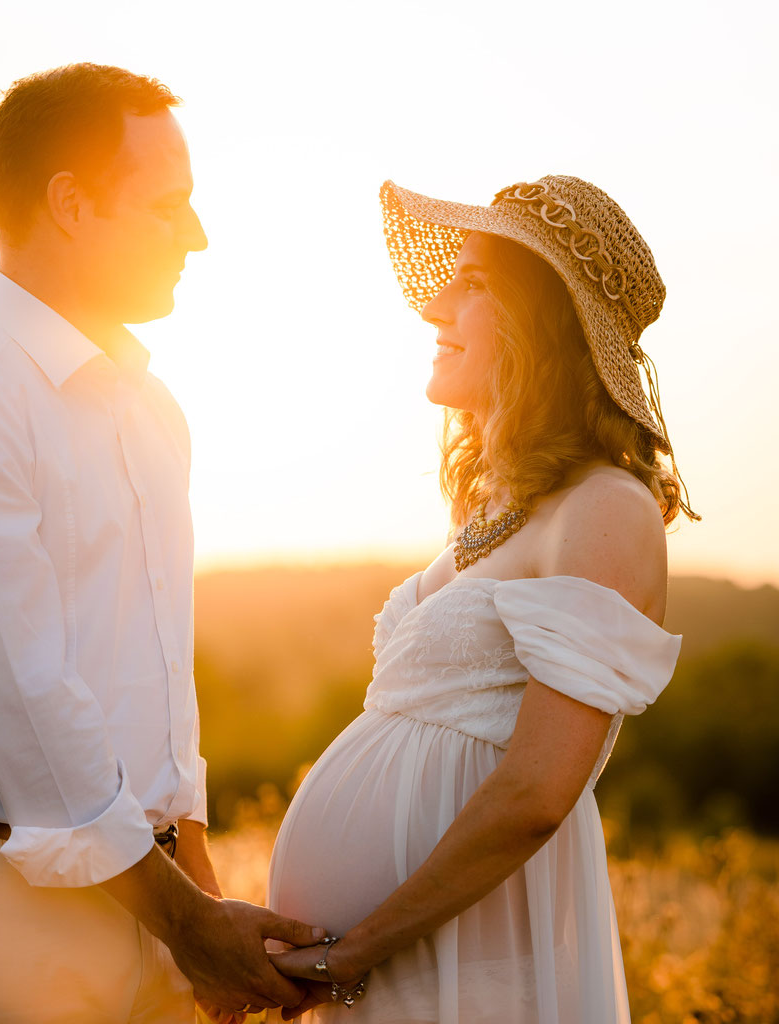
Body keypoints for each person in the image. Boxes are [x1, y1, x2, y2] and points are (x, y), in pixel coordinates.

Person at [0, 63, 322, 1024]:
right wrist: (189, 924)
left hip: (152, 898)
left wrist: (197, 887)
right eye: (168, 205)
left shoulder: (150, 411)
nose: (198, 234)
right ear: (72, 204)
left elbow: (153, 679)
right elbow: (23, 704)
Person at [266, 175, 698, 1022]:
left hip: (467, 960)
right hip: (404, 964)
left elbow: (536, 793)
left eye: (470, 286)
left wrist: (356, 948)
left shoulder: (606, 508)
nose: (434, 310)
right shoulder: (499, 505)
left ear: (543, 323)